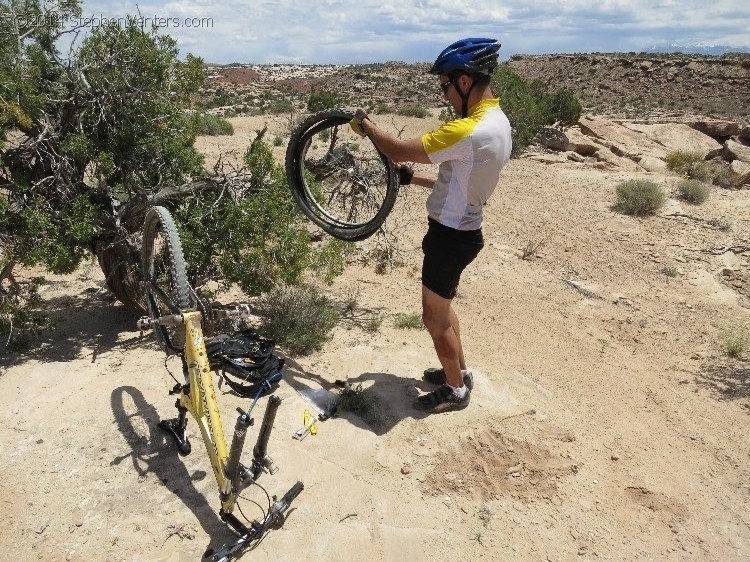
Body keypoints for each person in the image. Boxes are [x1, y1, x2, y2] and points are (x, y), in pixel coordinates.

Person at [350, 38, 512, 413]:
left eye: (445, 86)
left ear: (465, 82)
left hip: (449, 236)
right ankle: (459, 370)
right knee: (444, 306)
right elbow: (459, 179)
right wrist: (414, 181)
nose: (445, 96)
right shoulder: (498, 122)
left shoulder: (468, 130)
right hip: (464, 230)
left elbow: (396, 148)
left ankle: (456, 390)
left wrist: (367, 125)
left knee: (433, 317)